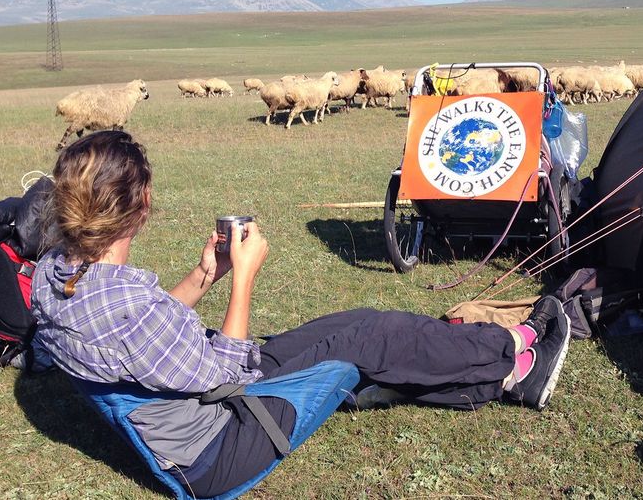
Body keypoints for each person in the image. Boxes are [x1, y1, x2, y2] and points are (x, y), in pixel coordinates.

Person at [31, 130, 572, 497]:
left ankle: (492, 379)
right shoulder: (128, 307)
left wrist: (205, 276)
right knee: (369, 341)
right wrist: (243, 277)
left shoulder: (55, 276)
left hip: (177, 432)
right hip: (217, 452)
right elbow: (229, 375)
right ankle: (514, 357)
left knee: (350, 324)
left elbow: (139, 339)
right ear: (141, 204)